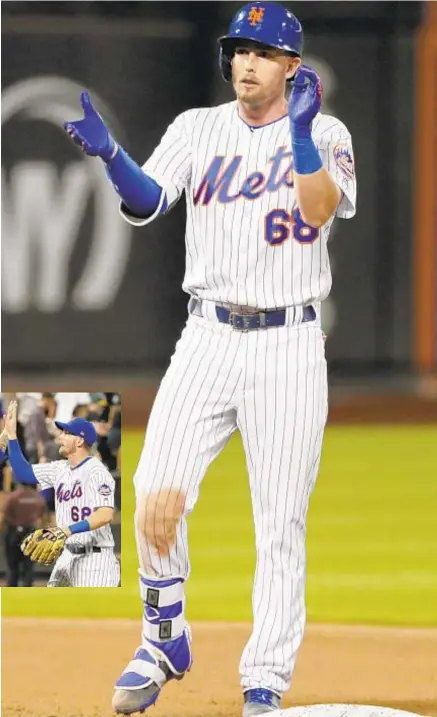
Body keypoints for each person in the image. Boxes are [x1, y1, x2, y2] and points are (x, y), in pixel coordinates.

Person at [64, 2, 356, 714]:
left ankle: (264, 680)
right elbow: (146, 201)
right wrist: (111, 157)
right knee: (153, 495)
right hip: (206, 335)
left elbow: (320, 209)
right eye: (237, 49)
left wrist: (299, 138)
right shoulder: (197, 128)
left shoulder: (324, 130)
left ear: (291, 65)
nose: (244, 62)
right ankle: (163, 639)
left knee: (278, 524)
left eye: (261, 51)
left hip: (288, 341)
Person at [4, 401, 120, 587]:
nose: (60, 437)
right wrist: (11, 436)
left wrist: (67, 530)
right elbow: (22, 472)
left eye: (67, 433)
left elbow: (105, 514)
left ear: (80, 440)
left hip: (94, 560)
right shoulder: (59, 468)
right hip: (67, 555)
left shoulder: (97, 471)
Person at [0, 482, 49, 587]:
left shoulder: (13, 497)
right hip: (31, 534)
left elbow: (3, 516)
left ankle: (11, 592)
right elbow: (45, 517)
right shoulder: (38, 498)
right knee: (28, 567)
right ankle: (27, 593)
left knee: (12, 567)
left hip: (13, 533)